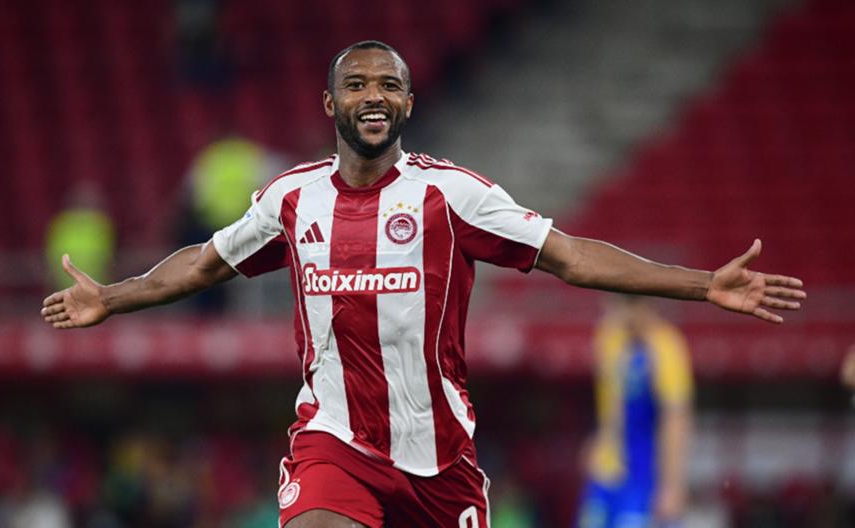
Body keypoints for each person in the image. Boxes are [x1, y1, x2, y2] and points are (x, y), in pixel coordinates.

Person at [41, 40, 806, 528]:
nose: (373, 95)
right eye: (356, 84)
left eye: (388, 84)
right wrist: (111, 296)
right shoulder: (290, 199)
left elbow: (570, 256)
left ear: (407, 102)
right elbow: (205, 262)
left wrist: (702, 285)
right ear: (331, 104)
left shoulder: (452, 194)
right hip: (334, 443)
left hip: (440, 460)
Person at [576, 295, 693, 528]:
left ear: (642, 306)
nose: (611, 313)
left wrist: (671, 485)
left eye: (618, 305)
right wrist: (600, 439)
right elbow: (611, 401)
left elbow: (675, 419)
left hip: (643, 474)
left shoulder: (666, 347)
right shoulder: (610, 336)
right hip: (606, 472)